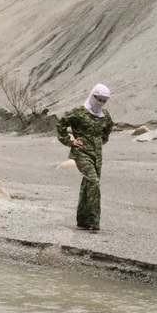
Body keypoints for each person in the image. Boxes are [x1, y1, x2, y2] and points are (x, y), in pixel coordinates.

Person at [56, 84, 113, 231]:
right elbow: (61, 124)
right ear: (92, 96)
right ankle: (94, 222)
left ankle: (82, 220)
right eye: (98, 99)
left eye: (104, 101)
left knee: (87, 184)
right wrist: (70, 141)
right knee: (93, 182)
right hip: (81, 153)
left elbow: (108, 129)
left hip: (97, 155)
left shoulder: (105, 115)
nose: (100, 103)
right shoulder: (78, 112)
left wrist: (101, 141)